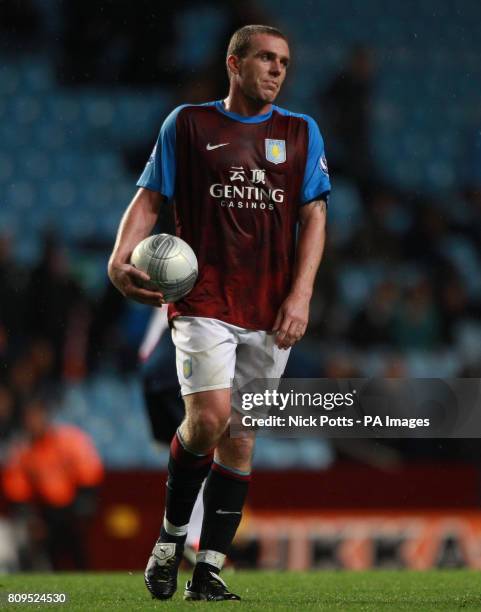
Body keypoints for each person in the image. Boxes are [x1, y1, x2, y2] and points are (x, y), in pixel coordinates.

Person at [108, 24, 330, 601]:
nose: (277, 70)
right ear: (234, 64)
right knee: (208, 419)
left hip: (271, 307)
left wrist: (301, 294)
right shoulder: (187, 124)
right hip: (203, 299)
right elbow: (150, 198)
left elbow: (314, 219)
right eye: (265, 58)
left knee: (240, 435)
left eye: (284, 61)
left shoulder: (301, 133)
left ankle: (207, 570)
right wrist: (117, 259)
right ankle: (168, 539)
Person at [2, 396, 104, 569]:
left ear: (45, 416)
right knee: (45, 555)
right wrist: (30, 516)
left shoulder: (69, 439)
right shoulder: (22, 451)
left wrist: (83, 501)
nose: (33, 422)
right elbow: (16, 488)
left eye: (37, 416)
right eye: (29, 418)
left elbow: (89, 470)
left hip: (73, 508)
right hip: (44, 513)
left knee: (80, 554)